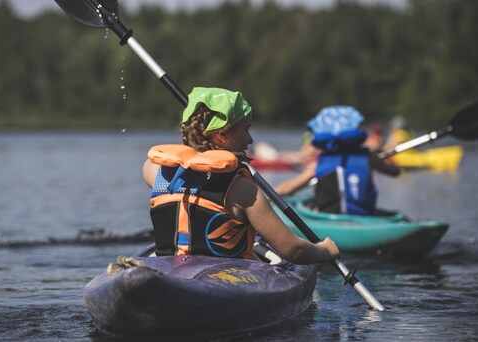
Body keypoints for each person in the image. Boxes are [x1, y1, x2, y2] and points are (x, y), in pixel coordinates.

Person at [142, 86, 340, 264]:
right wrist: (324, 250)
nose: (251, 139)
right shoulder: (243, 191)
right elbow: (292, 250)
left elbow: (189, 177)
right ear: (222, 135)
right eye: (246, 129)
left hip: (168, 268)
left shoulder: (155, 172)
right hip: (222, 279)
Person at [275, 105, 400, 215]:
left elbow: (289, 188)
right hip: (363, 215)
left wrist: (266, 196)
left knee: (309, 204)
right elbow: (395, 172)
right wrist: (375, 159)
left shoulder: (320, 162)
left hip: (328, 217)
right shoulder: (368, 158)